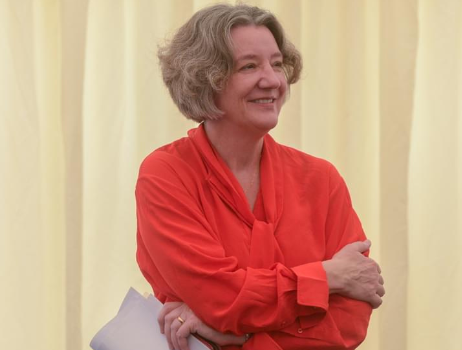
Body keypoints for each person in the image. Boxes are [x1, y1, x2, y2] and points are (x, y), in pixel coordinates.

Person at [135, 4, 384, 350]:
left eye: (277, 64)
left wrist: (244, 337)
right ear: (206, 77)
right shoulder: (165, 175)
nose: (273, 80)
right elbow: (222, 298)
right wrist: (327, 278)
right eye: (249, 66)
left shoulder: (322, 180)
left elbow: (349, 324)